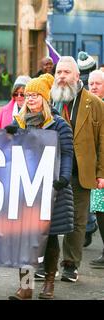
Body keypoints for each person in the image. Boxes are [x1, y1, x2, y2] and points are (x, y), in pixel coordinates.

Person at [6, 74, 74, 299]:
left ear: (45, 98)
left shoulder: (59, 125)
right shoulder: (19, 123)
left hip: (53, 189)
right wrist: (9, 137)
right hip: (25, 189)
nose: (31, 98)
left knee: (51, 238)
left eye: (35, 95)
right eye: (28, 95)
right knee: (24, 238)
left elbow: (66, 154)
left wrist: (63, 178)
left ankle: (48, 284)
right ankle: (26, 287)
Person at [51, 56, 104, 283]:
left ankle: (70, 265)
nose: (61, 77)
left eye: (65, 72)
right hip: (52, 173)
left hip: (80, 172)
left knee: (77, 221)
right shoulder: (50, 101)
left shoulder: (95, 104)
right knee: (50, 219)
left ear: (76, 75)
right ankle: (48, 263)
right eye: (58, 73)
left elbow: (103, 140)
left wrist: (101, 172)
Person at [88, 69, 104, 268]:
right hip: (94, 168)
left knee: (101, 210)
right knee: (99, 210)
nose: (92, 87)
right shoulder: (90, 105)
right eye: (90, 83)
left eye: (97, 84)